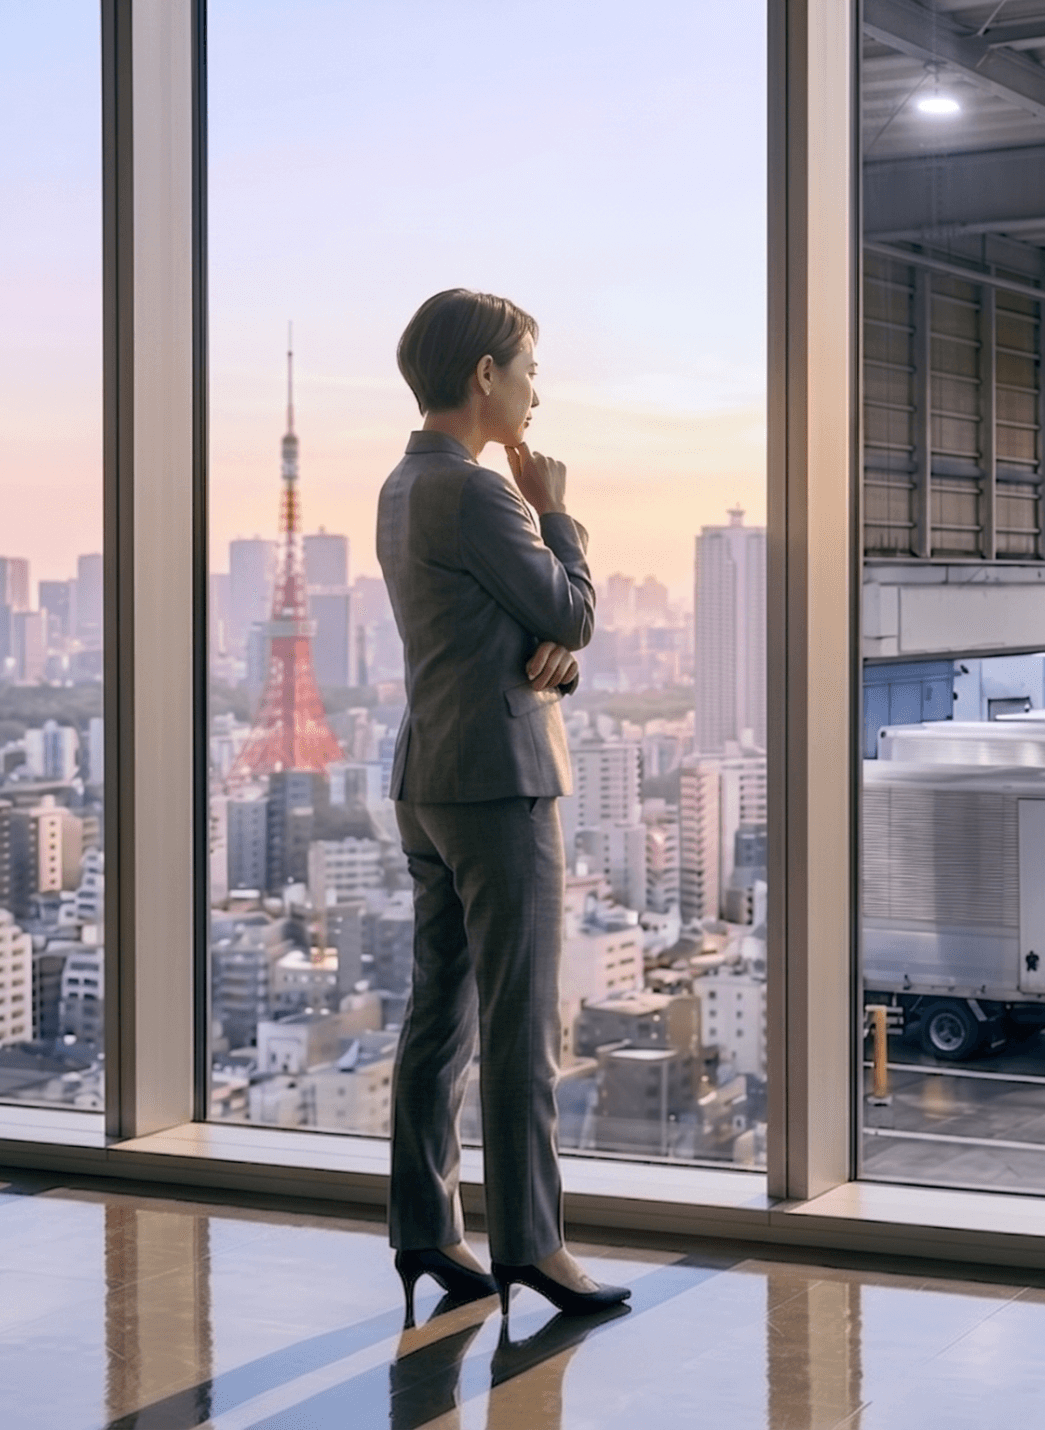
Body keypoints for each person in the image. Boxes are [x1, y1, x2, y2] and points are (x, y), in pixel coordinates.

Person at [378, 288, 628, 1323]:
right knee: (520, 1023)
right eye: (527, 368)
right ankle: (534, 1245)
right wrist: (554, 501)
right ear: (484, 374)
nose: (535, 391)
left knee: (438, 1012)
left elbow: (509, 637)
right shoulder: (484, 494)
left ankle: (426, 1227)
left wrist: (553, 660)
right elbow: (567, 608)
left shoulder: (402, 485)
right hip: (502, 785)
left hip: (428, 777)